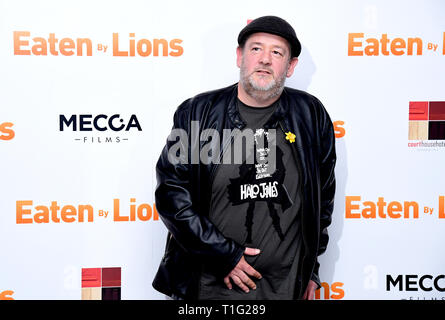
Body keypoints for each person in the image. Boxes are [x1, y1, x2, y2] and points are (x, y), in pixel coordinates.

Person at [152, 15, 336, 300]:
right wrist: (223, 254)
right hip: (210, 286)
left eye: (277, 52)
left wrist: (311, 269)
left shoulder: (311, 115)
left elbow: (322, 199)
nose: (265, 59)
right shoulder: (196, 113)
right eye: (255, 49)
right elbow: (171, 195)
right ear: (240, 57)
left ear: (291, 66)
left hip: (284, 287)